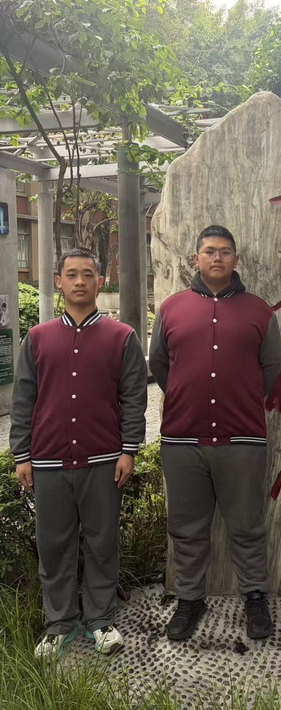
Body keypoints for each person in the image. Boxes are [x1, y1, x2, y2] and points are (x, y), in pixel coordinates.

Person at [10, 247, 147, 659]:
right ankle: (59, 624)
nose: (80, 281)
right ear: (58, 282)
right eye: (71, 274)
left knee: (102, 543)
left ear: (100, 281)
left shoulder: (122, 337)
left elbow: (133, 398)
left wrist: (129, 450)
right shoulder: (37, 338)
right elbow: (23, 400)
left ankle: (101, 620)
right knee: (54, 546)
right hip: (48, 461)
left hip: (104, 461)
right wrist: (21, 455)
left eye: (88, 274)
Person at [149, 225, 281, 641]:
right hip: (182, 439)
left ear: (235, 259)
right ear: (196, 259)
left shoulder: (259, 312)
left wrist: (239, 399)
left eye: (225, 251)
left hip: (242, 439)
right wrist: (186, 396)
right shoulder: (171, 309)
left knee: (247, 526)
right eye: (209, 251)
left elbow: (272, 368)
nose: (217, 258)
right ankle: (190, 598)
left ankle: (254, 598)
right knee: (187, 527)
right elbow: (159, 365)